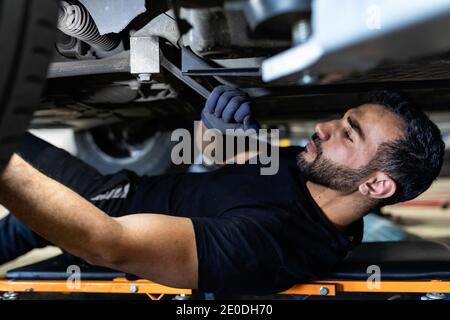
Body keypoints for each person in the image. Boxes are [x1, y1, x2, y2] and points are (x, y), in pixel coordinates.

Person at [0, 86, 445, 295]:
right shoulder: (317, 173)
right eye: (340, 119)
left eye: (349, 134)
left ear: (377, 184)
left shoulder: (272, 246)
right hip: (116, 194)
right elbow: (233, 162)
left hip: (99, 215)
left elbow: (106, 243)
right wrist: (218, 131)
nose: (323, 127)